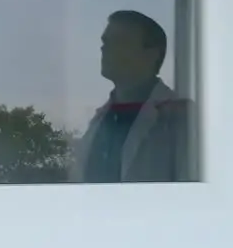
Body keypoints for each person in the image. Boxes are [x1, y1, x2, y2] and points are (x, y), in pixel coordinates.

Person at [72, 10, 193, 183]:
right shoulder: (100, 119)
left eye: (119, 42)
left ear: (152, 54)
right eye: (105, 42)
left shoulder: (182, 119)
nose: (104, 48)